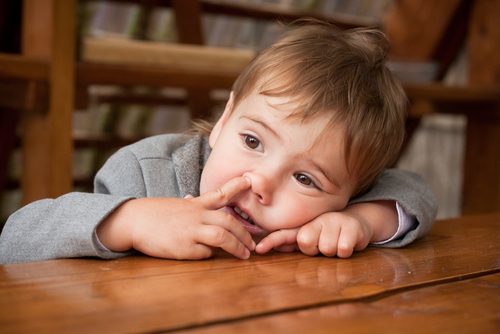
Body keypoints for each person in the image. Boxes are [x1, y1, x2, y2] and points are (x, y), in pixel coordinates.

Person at [0, 20, 437, 264]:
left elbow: (415, 190)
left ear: (349, 193)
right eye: (252, 140)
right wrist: (131, 221)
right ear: (224, 119)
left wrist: (364, 221)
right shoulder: (145, 172)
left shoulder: (336, 211)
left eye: (305, 178)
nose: (260, 182)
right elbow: (15, 240)